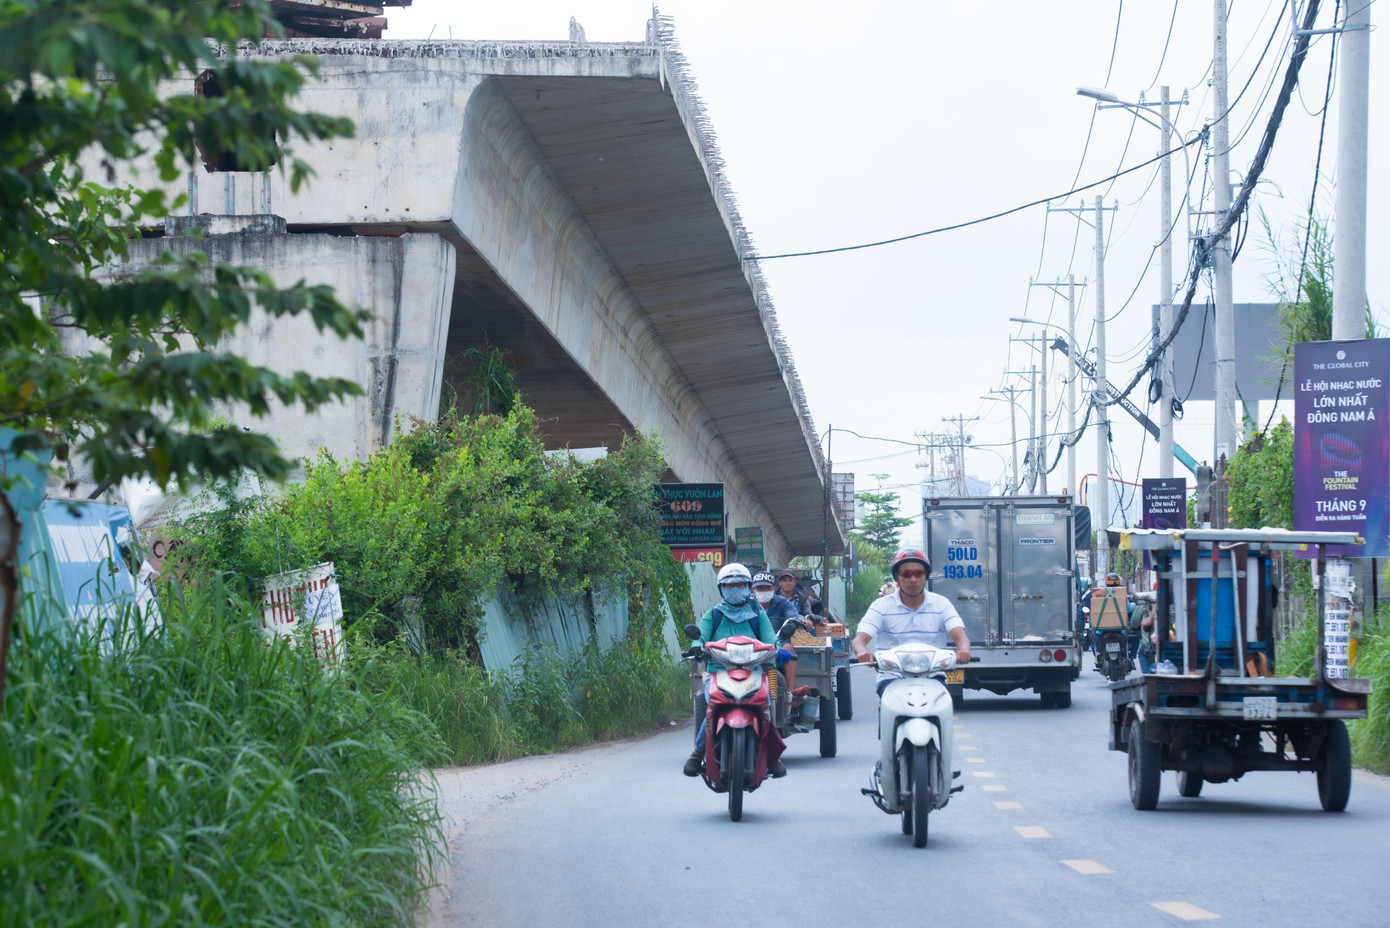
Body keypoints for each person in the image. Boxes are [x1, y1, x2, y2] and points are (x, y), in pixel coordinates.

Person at [684, 563, 788, 778]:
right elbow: (700, 637)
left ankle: (771, 755)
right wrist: (697, 647)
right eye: (729, 585)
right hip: (717, 671)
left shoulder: (757, 616)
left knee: (765, 707)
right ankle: (697, 753)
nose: (735, 589)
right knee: (712, 709)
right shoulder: (713, 615)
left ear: (748, 586)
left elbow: (771, 640)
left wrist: (780, 650)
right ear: (721, 588)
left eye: (740, 584)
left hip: (754, 671)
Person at [851, 549, 971, 694]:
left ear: (926, 576)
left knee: (943, 707)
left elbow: (960, 635)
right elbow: (860, 639)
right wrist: (862, 652)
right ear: (897, 577)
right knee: (891, 706)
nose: (913, 579)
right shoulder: (881, 606)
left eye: (919, 573)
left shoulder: (941, 604)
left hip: (933, 677)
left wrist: (964, 650)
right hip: (891, 678)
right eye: (906, 574)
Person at [752, 570, 813, 709]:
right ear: (753, 589)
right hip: (752, 644)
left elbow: (794, 614)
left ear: (773, 588)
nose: (763, 591)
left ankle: (789, 695)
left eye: (767, 588)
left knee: (789, 649)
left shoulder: (782, 602)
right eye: (759, 588)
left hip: (778, 642)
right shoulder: (748, 603)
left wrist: (804, 620)